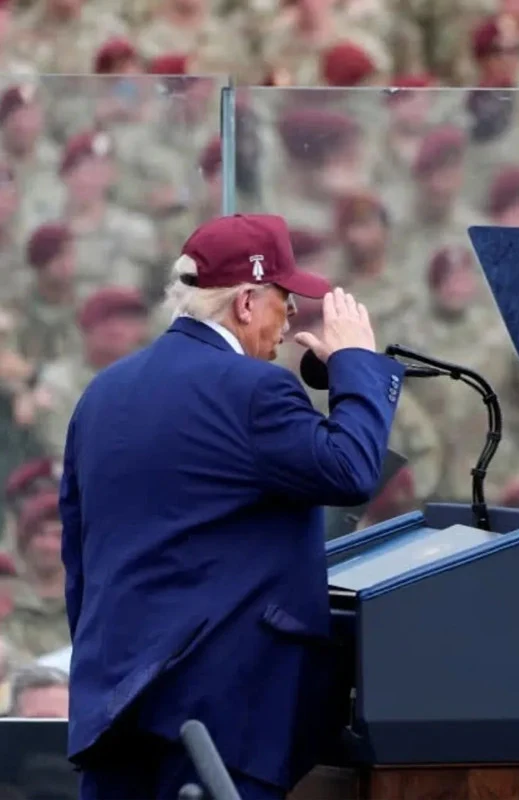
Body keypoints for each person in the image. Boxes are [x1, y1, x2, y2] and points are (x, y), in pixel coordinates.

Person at [61, 214, 407, 800]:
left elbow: (80, 560)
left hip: (115, 706)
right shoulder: (255, 390)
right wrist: (356, 364)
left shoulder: (104, 393)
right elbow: (350, 468)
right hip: (220, 718)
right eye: (284, 300)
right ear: (246, 303)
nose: (290, 318)